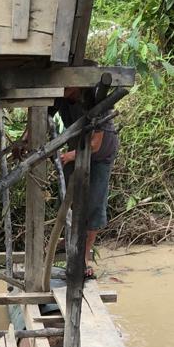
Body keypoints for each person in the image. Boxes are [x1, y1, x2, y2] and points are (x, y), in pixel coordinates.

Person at [55, 86, 119, 280]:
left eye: (66, 84)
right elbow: (42, 117)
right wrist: (26, 140)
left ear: (76, 85)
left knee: (94, 204)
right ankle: (69, 241)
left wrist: (71, 155)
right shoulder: (61, 99)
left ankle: (84, 257)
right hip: (77, 147)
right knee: (67, 199)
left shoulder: (95, 100)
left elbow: (95, 144)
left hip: (100, 155)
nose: (62, 88)